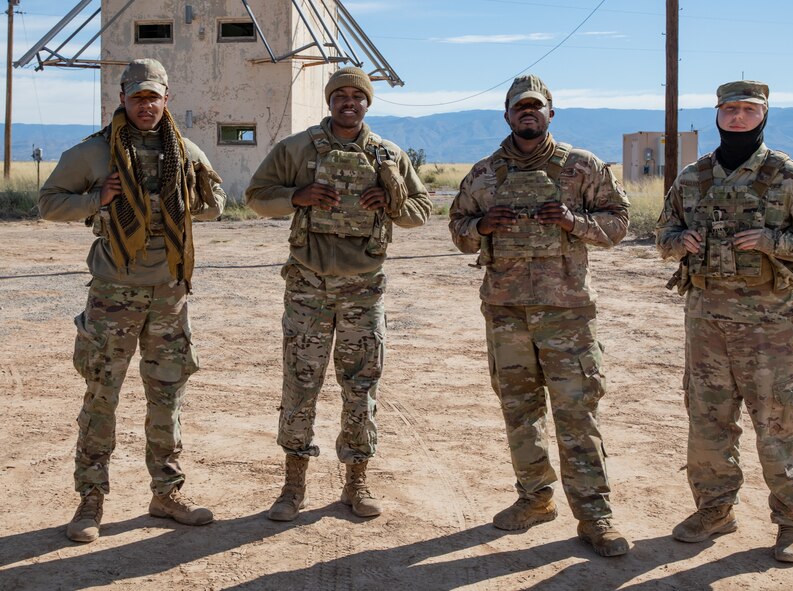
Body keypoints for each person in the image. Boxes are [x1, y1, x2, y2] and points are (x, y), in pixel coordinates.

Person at [655, 80, 793, 563]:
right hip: (706, 322)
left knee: (778, 421)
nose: (737, 117)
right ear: (717, 113)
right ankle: (715, 510)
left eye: (748, 109)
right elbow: (664, 233)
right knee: (708, 421)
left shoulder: (788, 176)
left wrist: (772, 241)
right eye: (730, 109)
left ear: (764, 115)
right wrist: (680, 241)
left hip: (771, 325)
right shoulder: (693, 178)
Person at [39, 58, 226, 543]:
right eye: (138, 97)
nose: (146, 106)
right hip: (114, 293)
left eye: (154, 97)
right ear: (122, 98)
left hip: (170, 293)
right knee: (102, 395)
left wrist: (193, 197)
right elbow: (49, 202)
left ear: (166, 99)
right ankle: (90, 500)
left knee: (167, 395)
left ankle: (167, 493)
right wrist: (96, 200)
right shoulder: (94, 152)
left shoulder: (183, 149)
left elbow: (215, 204)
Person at [449, 74, 631, 557]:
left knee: (577, 413)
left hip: (566, 313)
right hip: (506, 312)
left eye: (536, 106)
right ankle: (535, 499)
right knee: (520, 411)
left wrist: (574, 222)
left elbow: (619, 223)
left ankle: (595, 517)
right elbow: (458, 228)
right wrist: (481, 226)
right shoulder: (484, 174)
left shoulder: (582, 167)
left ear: (551, 112)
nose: (527, 112)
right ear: (507, 115)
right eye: (519, 107)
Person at [245, 67, 431, 521]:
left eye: (357, 96)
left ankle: (356, 482)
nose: (349, 102)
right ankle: (293, 486)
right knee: (300, 384)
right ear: (329, 101)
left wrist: (393, 201)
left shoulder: (388, 154)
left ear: (367, 103)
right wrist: (299, 196)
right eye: (340, 95)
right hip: (308, 288)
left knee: (360, 388)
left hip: (362, 291)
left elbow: (422, 210)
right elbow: (257, 196)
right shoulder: (297, 149)